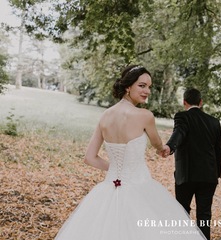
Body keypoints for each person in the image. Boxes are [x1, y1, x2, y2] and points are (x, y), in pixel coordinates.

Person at [55, 65, 206, 240]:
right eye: (142, 86)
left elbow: (90, 158)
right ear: (128, 86)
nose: (147, 91)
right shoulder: (145, 116)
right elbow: (158, 145)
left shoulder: (105, 116)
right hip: (140, 187)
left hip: (108, 188)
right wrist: (163, 150)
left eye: (149, 87)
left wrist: (117, 170)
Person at [162, 88, 221, 240]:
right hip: (208, 177)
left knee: (182, 212)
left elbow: (179, 133)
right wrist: (216, 173)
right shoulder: (214, 122)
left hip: (186, 175)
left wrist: (170, 147)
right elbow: (219, 151)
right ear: (201, 102)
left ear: (184, 102)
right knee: (204, 215)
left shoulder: (182, 117)